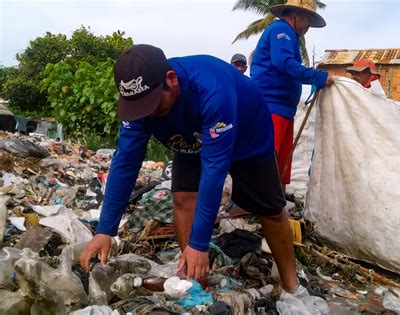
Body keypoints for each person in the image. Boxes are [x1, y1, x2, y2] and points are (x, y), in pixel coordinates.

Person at [80, 44, 301, 294]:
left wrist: (200, 243)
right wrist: (105, 229)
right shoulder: (140, 107)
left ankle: (291, 285)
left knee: (270, 209)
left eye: (152, 106)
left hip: (247, 137)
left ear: (171, 80)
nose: (147, 114)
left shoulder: (212, 89)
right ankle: (194, 280)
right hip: (188, 135)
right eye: (139, 108)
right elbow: (125, 162)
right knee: (184, 198)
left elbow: (214, 171)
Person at [251, 0, 334, 194]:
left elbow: (287, 67)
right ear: (296, 15)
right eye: (307, 20)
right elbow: (284, 63)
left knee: (281, 162)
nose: (307, 27)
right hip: (271, 106)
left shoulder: (289, 36)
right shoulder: (282, 30)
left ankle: (277, 204)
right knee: (267, 160)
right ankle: (259, 203)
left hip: (284, 110)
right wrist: (317, 77)